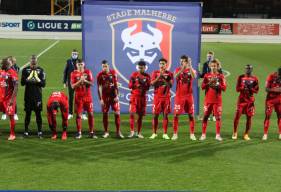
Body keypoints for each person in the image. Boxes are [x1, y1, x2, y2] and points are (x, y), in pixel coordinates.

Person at [200, 59, 226, 141]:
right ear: (209, 66)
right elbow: (202, 87)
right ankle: (203, 134)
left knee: (218, 118)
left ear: (217, 67)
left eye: (215, 66)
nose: (213, 67)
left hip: (217, 101)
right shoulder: (206, 76)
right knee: (205, 117)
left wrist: (217, 86)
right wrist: (209, 83)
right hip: (208, 100)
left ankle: (217, 135)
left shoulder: (221, 76)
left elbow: (224, 88)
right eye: (212, 66)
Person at [97, 60, 124, 139]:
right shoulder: (100, 75)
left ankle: (118, 132)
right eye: (103, 67)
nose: (104, 68)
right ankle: (106, 132)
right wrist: (101, 99)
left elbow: (116, 85)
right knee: (105, 113)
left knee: (117, 113)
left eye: (106, 66)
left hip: (113, 97)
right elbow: (99, 87)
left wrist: (117, 96)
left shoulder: (113, 73)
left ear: (108, 66)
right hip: (105, 97)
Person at [172, 55, 197, 141]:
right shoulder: (177, 69)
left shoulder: (191, 70)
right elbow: (175, 77)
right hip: (179, 96)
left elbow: (194, 77)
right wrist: (182, 69)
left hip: (189, 96)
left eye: (183, 61)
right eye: (181, 61)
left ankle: (192, 134)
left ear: (186, 62)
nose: (181, 62)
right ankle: (175, 133)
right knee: (176, 115)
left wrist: (190, 66)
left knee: (191, 115)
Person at [21, 55, 46, 138]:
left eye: (34, 60)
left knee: (38, 114)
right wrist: (29, 77)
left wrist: (36, 78)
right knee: (27, 114)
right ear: (30, 61)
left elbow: (43, 84)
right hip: (28, 96)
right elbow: (22, 83)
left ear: (36, 61)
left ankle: (39, 131)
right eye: (32, 60)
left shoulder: (41, 70)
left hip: (37, 96)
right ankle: (26, 131)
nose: (33, 62)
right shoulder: (25, 70)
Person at [71, 59, 96, 139]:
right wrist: (79, 82)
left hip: (88, 97)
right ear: (76, 65)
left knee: (91, 114)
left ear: (84, 64)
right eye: (79, 64)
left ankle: (91, 132)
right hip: (78, 97)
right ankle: (79, 133)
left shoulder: (88, 72)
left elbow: (92, 83)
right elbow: (72, 86)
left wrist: (84, 80)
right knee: (78, 115)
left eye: (81, 64)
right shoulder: (73, 73)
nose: (80, 66)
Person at [232, 65, 259, 140]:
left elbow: (256, 91)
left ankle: (246, 134)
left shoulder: (255, 78)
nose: (248, 70)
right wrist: (243, 88)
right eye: (247, 68)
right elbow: (237, 89)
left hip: (250, 101)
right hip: (241, 100)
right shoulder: (240, 77)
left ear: (252, 70)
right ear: (245, 69)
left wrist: (251, 89)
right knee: (237, 116)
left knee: (249, 118)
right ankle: (235, 132)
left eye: (249, 69)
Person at [149, 58, 174, 140]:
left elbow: (170, 85)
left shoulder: (170, 74)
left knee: (165, 115)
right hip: (157, 98)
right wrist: (159, 76)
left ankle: (165, 133)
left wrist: (164, 78)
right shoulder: (155, 73)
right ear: (159, 64)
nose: (162, 65)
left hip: (166, 97)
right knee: (155, 115)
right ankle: (154, 133)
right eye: (160, 63)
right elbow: (152, 84)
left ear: (166, 65)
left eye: (163, 63)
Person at [128, 60, 151, 138]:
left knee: (140, 116)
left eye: (141, 68)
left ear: (145, 68)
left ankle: (139, 132)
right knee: (132, 113)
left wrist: (142, 83)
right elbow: (130, 86)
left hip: (142, 98)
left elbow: (148, 88)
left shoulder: (147, 76)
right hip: (134, 97)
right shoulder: (134, 75)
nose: (140, 69)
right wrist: (134, 83)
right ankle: (132, 132)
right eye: (139, 68)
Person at [63, 49, 87, 120]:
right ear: (71, 54)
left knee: (82, 98)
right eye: (73, 53)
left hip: (79, 82)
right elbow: (65, 72)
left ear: (78, 54)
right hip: (71, 82)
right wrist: (64, 82)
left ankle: (83, 113)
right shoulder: (68, 61)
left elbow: (84, 71)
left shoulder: (80, 61)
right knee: (71, 97)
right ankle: (70, 113)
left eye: (75, 53)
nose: (74, 55)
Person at [200, 51, 223, 122]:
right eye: (208, 56)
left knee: (215, 98)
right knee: (208, 98)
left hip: (215, 83)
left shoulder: (216, 64)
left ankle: (214, 115)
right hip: (208, 82)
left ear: (213, 57)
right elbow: (204, 74)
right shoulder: (205, 64)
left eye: (210, 56)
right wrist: (202, 75)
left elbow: (221, 74)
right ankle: (208, 114)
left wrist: (216, 79)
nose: (209, 57)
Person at [0, 57, 18, 140]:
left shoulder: (12, 73)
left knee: (11, 116)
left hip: (9, 99)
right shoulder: (2, 72)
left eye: (2, 64)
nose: (1, 65)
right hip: (1, 98)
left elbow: (16, 87)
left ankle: (12, 134)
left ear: (6, 64)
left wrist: (12, 99)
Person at [262, 67, 281, 140]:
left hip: (279, 100)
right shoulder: (271, 76)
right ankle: (265, 134)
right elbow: (266, 89)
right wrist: (277, 90)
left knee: (280, 116)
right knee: (267, 116)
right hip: (270, 100)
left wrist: (272, 90)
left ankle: (280, 133)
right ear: (277, 73)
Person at [1, 56, 19, 121]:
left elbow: (16, 85)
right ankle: (4, 113)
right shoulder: (2, 70)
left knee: (13, 103)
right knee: (3, 103)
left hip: (10, 92)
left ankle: (14, 113)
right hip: (3, 91)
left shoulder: (14, 69)